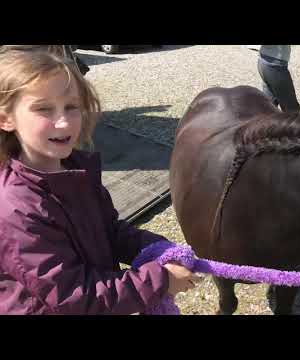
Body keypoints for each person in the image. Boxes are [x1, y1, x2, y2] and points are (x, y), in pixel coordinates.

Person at [0, 49, 200, 315]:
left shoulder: (76, 172)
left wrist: (157, 247)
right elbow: (72, 295)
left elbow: (109, 231)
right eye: (43, 109)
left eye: (71, 107)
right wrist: (160, 280)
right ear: (6, 118)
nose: (63, 122)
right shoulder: (15, 207)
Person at [246, 45, 300, 114]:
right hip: (274, 66)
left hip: (265, 62)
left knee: (269, 107)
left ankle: (264, 123)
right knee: (292, 109)